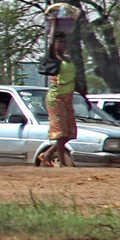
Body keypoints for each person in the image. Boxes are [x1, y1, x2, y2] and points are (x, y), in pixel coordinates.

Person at [35, 32, 77, 167]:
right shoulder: (54, 57)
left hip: (68, 96)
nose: (62, 45)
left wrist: (84, 97)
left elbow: (74, 79)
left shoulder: (68, 59)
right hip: (56, 97)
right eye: (59, 42)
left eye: (64, 42)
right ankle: (62, 162)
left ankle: (47, 154)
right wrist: (52, 25)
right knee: (60, 132)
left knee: (70, 133)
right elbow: (50, 47)